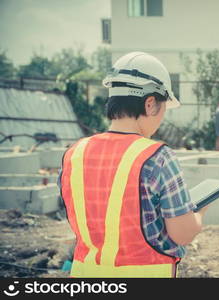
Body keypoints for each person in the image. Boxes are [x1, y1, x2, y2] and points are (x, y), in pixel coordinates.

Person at [58, 52, 208, 278]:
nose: (161, 119)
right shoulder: (157, 156)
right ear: (150, 104)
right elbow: (182, 234)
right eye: (163, 109)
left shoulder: (74, 153)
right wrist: (199, 212)